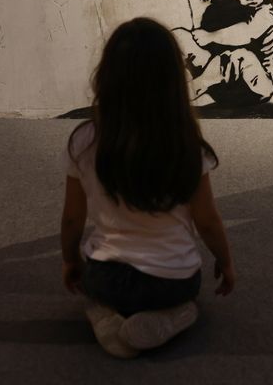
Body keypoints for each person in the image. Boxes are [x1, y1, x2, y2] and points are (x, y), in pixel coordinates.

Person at [60, 18, 236, 358]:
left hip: (105, 278)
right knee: (186, 298)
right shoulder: (187, 146)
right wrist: (225, 262)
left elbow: (71, 220)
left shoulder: (84, 142)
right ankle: (174, 316)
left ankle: (106, 315)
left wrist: (71, 262)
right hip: (172, 281)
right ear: (173, 82)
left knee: (96, 290)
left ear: (106, 76)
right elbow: (208, 221)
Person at [174, 0, 273, 106]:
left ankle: (194, 88)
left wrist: (211, 36)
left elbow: (247, 32)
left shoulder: (265, 11)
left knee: (241, 56)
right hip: (222, 79)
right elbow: (211, 55)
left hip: (257, 84)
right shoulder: (217, 12)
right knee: (180, 36)